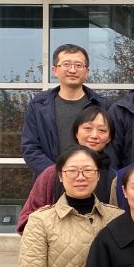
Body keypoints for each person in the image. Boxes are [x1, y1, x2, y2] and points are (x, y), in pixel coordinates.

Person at [18, 106, 116, 234]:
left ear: (109, 137)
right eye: (87, 128)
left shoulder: (114, 177)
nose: (94, 135)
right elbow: (26, 220)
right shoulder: (51, 174)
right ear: (76, 132)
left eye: (102, 130)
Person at [22, 44, 107, 177]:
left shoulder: (102, 105)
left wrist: (91, 172)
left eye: (78, 65)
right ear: (55, 70)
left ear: (87, 71)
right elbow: (30, 148)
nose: (72, 70)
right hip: (51, 179)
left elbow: (110, 146)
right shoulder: (38, 105)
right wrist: (57, 174)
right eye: (66, 64)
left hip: (90, 179)